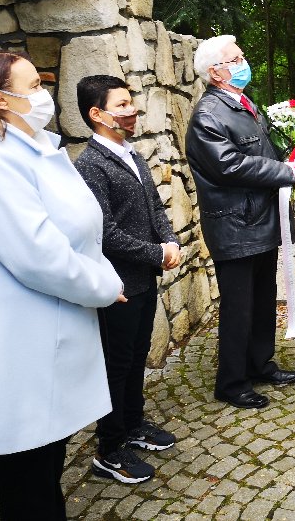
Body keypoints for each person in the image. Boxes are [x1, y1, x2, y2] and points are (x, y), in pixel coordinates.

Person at [0, 51, 125, 520]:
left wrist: (100, 274)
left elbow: (81, 232)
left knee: (46, 458)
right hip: (19, 340)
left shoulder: (39, 150)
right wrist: (106, 284)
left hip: (51, 330)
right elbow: (40, 257)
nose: (45, 95)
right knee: (28, 467)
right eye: (34, 87)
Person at [185, 35, 295, 410]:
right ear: (215, 73)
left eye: (241, 57)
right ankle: (232, 383)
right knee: (239, 308)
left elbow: (262, 152)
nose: (243, 64)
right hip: (235, 226)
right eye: (235, 60)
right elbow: (228, 165)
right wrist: (283, 172)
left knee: (263, 299)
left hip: (261, 220)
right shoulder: (208, 115)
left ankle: (259, 364)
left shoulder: (244, 103)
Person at [74, 75, 181, 484]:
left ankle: (133, 425)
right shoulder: (90, 165)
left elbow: (154, 207)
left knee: (137, 357)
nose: (132, 110)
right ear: (96, 114)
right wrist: (157, 253)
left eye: (131, 101)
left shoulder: (131, 153)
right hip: (116, 285)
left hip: (143, 280)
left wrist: (170, 241)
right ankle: (109, 448)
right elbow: (105, 232)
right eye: (121, 105)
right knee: (116, 366)